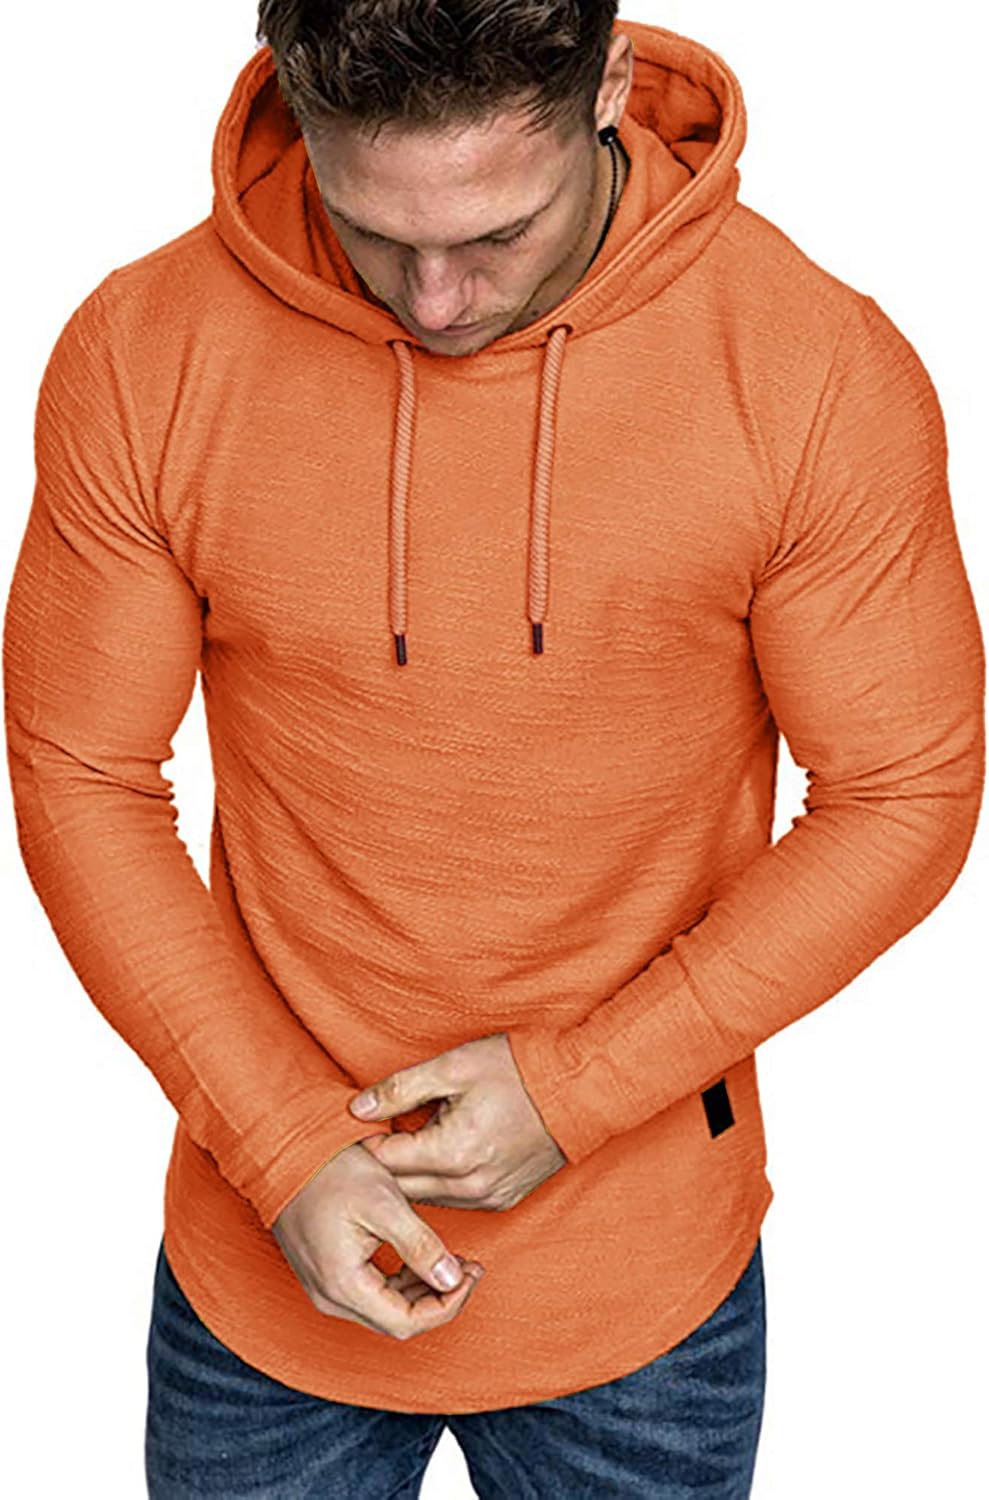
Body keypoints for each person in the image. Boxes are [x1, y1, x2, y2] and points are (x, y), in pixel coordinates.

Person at [3, 2, 984, 1496]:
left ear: (608, 82)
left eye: (498, 231)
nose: (438, 299)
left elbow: (902, 792)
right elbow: (82, 772)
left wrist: (578, 1091)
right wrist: (280, 1146)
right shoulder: (148, 350)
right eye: (373, 231)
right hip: (260, 1263)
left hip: (644, 1286)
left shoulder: (811, 366)